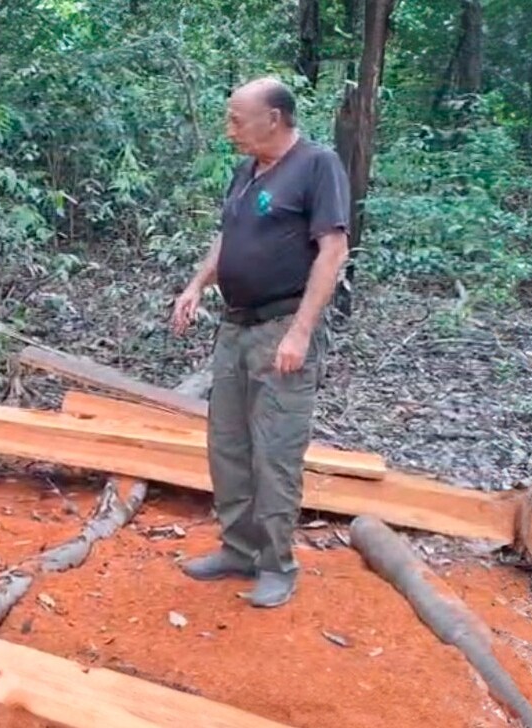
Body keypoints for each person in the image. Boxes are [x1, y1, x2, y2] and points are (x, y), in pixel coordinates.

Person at [169, 77, 350, 608]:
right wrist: (198, 283)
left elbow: (332, 251)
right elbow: (230, 235)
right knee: (228, 447)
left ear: (274, 118)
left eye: (236, 118)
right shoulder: (245, 171)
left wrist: (300, 332)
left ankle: (276, 565)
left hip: (281, 328)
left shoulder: (318, 165)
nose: (230, 128)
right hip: (235, 327)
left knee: (275, 452)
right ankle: (238, 549)